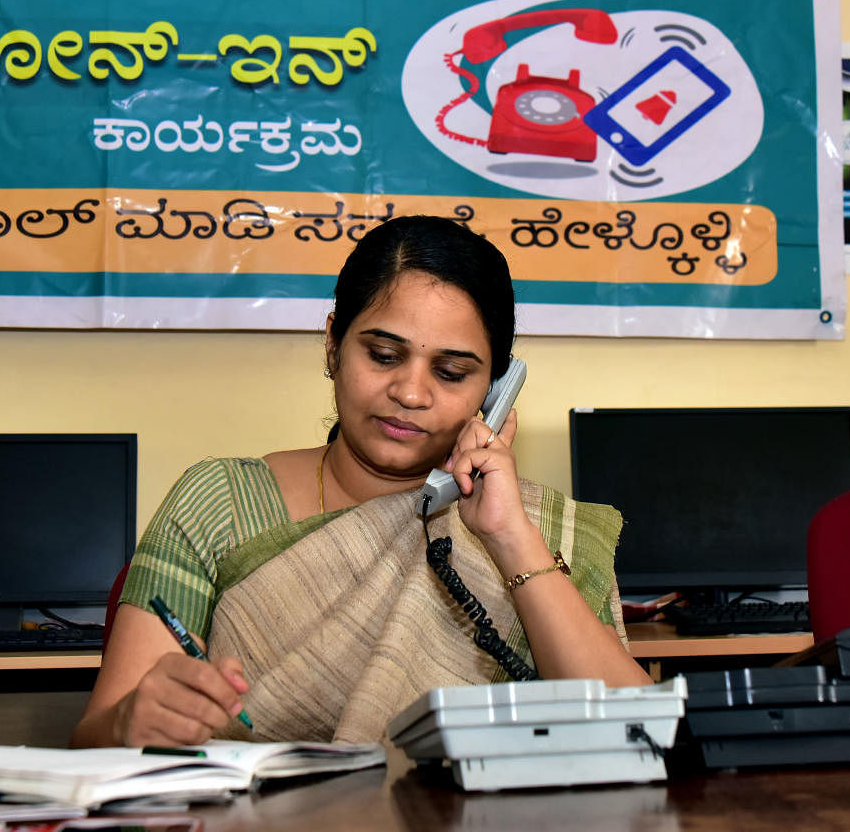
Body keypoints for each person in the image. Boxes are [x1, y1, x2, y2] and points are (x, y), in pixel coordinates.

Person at [71, 215, 649, 749]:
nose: (412, 394)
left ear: (496, 392)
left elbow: (638, 731)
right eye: (382, 354)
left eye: (451, 372)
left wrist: (508, 538)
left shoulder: (535, 527)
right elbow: (94, 739)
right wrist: (130, 721)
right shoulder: (220, 503)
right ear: (333, 345)